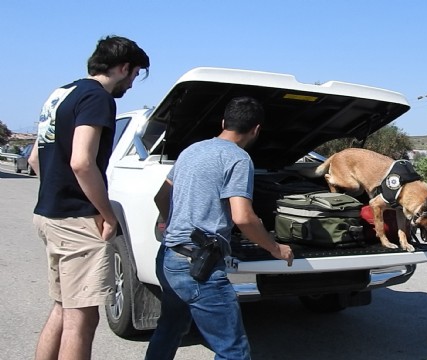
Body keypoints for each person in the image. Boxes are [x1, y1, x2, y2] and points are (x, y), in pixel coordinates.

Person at [145, 96, 295, 360]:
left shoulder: (191, 150)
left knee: (170, 328)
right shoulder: (238, 159)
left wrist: (174, 221)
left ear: (224, 122)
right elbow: (243, 217)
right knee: (233, 351)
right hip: (198, 267)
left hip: (169, 256)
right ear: (256, 129)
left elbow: (160, 197)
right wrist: (276, 248)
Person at [29, 36, 150, 360]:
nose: (132, 83)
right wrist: (107, 215)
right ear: (123, 67)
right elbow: (82, 162)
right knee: (82, 319)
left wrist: (57, 194)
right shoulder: (98, 98)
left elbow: (35, 160)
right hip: (76, 222)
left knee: (64, 308)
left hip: (49, 215)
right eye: (135, 74)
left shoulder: (61, 94)